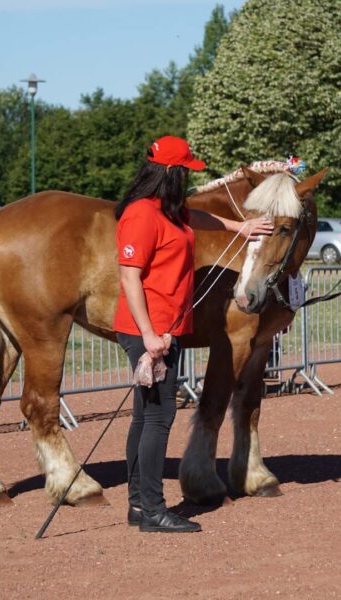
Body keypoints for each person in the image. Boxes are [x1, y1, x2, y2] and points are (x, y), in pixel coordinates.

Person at [115, 135, 272, 533]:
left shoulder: (171, 211)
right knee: (158, 416)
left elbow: (197, 219)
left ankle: (139, 505)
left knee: (145, 416)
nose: (187, 178)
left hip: (170, 329)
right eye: (184, 171)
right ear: (169, 172)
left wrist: (241, 225)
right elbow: (129, 277)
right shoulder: (141, 214)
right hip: (149, 332)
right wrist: (149, 335)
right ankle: (151, 508)